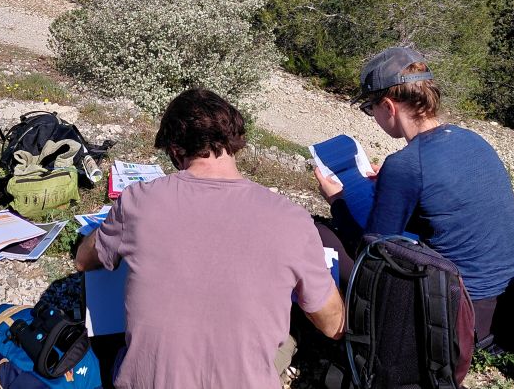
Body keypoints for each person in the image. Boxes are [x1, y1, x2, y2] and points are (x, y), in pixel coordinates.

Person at [76, 88, 344, 389]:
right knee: (288, 335)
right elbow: (333, 324)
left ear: (175, 150)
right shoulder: (292, 219)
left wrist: (104, 230)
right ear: (235, 144)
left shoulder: (139, 200)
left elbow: (84, 261)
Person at [314, 46, 514, 345]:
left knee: (320, 235)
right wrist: (389, 183)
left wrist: (337, 202)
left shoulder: (407, 164)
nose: (372, 116)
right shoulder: (472, 140)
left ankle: (344, 330)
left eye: (369, 109)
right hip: (509, 308)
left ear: (388, 106)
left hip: (457, 317)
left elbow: (372, 254)